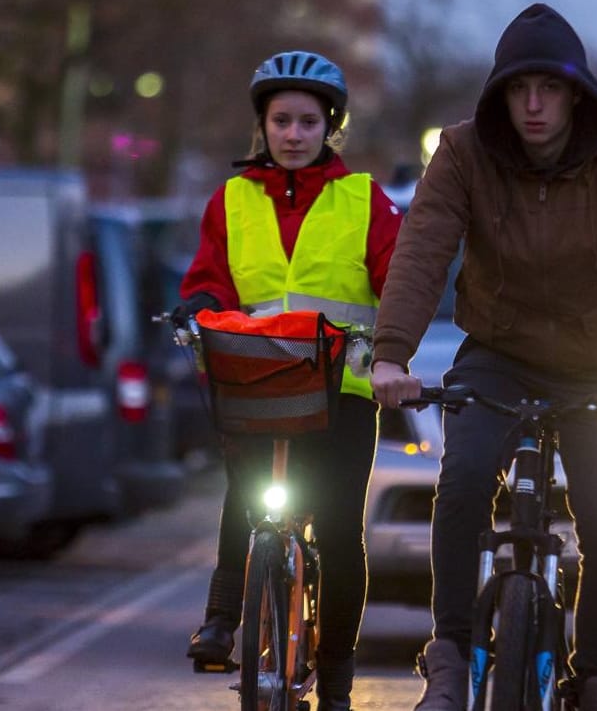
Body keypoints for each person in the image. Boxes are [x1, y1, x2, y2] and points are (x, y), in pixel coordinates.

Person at [370, 4, 597, 711]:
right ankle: (450, 656)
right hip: (499, 352)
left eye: (548, 88)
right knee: (458, 487)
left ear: (577, 92)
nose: (534, 105)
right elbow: (422, 249)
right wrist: (390, 353)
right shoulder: (462, 152)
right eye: (519, 90)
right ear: (499, 96)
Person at [174, 50, 401, 711]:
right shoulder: (231, 199)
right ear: (263, 125)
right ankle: (220, 618)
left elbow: (398, 280)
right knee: (245, 494)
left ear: (329, 126)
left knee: (335, 533)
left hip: (343, 393)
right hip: (257, 381)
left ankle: (334, 678)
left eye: (307, 121)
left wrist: (395, 346)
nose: (294, 134)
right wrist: (198, 304)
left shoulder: (363, 199)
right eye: (281, 121)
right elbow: (210, 275)